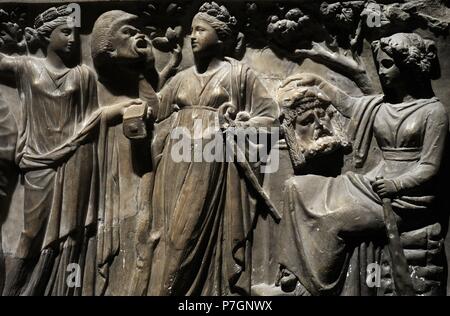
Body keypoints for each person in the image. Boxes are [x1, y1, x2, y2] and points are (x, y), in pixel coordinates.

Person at [277, 33, 448, 296]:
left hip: (407, 197)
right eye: (379, 63)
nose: (380, 71)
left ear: (409, 66)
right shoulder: (383, 105)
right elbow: (348, 104)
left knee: (334, 218)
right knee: (298, 187)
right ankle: (293, 273)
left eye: (388, 64)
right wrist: (317, 82)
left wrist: (395, 185)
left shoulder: (433, 112)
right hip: (372, 183)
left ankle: (318, 287)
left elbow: (430, 167)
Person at [0, 5, 138, 295]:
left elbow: (92, 120)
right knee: (31, 234)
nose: (73, 39)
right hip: (40, 164)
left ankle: (65, 290)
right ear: (47, 36)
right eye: (65, 32)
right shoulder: (28, 68)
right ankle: (15, 291)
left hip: (79, 159)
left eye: (76, 32)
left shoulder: (83, 75)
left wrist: (125, 105)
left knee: (73, 234)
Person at [146, 2, 279, 295]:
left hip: (210, 161)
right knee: (167, 235)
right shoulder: (181, 78)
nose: (192, 36)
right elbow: (155, 111)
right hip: (173, 161)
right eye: (191, 30)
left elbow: (269, 116)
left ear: (221, 37)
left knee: (186, 235)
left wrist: (243, 125)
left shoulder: (239, 75)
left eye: (200, 30)